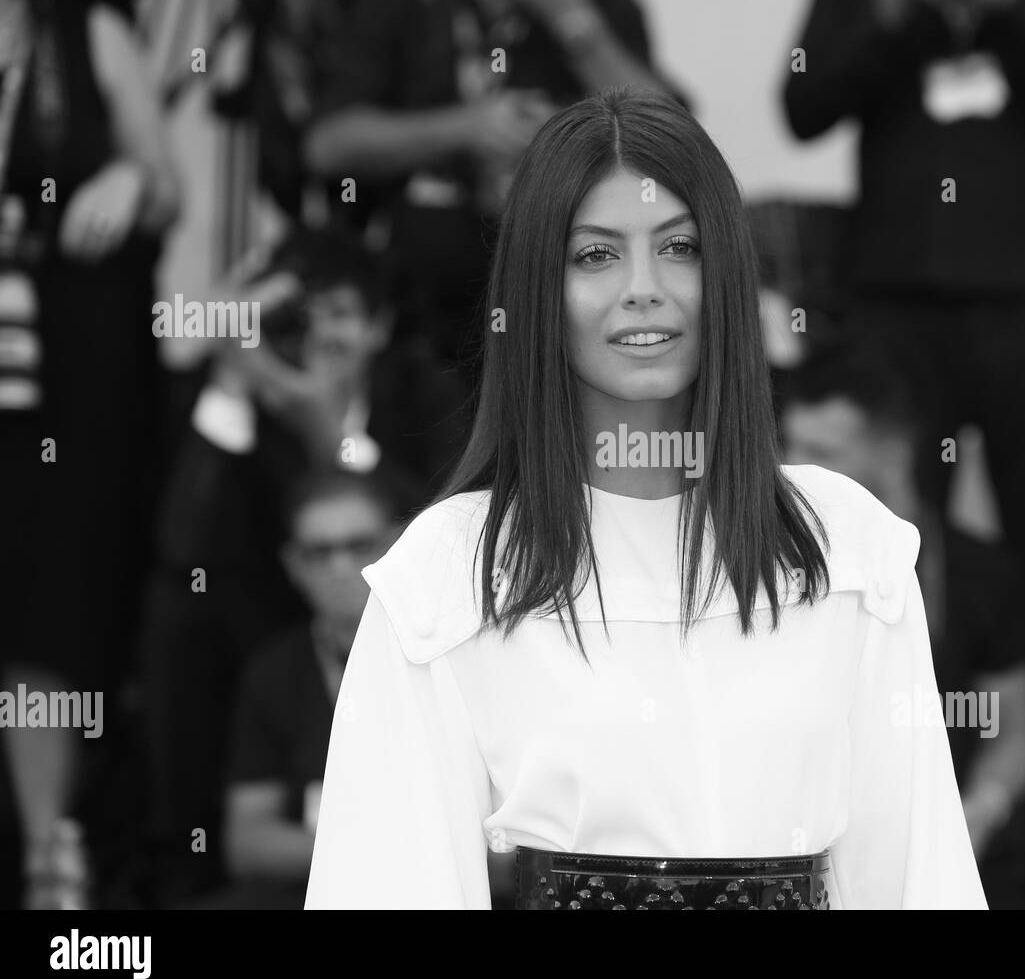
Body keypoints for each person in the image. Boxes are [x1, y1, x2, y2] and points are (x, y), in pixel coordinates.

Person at [304, 88, 986, 910]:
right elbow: (388, 886)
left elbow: (916, 875)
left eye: (680, 248)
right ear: (535, 291)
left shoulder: (847, 548)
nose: (643, 288)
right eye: (595, 255)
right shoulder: (446, 576)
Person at [783, 0, 1025, 750]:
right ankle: (881, 761)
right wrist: (890, 17)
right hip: (897, 297)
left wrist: (1019, 13)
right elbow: (804, 103)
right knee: (888, 538)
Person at [141, 225, 467, 906]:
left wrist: (333, 436)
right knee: (182, 607)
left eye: (342, 313)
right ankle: (186, 864)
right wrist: (233, 373)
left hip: (422, 624)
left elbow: (444, 534)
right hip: (282, 624)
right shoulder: (254, 391)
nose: (321, 333)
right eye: (300, 314)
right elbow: (184, 543)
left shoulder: (425, 391)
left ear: (379, 325)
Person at [0, 0, 180, 908]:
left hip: (61, 374)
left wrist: (128, 180)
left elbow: (166, 183)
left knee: (47, 609)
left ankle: (48, 856)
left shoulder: (83, 28)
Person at [780, 341, 1025, 908]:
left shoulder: (981, 573)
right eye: (788, 444)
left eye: (820, 450)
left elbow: (1016, 730)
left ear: (894, 455)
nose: (792, 469)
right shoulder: (763, 566)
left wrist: (973, 817)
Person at [304, 0, 682, 386]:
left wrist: (572, 24)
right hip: (424, 312)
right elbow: (327, 145)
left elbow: (671, 140)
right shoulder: (402, 10)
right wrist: (465, 128)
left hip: (563, 299)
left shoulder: (598, 10)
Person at [210, 471, 410, 909]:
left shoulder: (450, 653)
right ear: (293, 566)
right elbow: (247, 843)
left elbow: (508, 853)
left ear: (398, 544)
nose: (340, 566)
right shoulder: (272, 672)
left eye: (359, 544)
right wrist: (386, 850)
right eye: (320, 552)